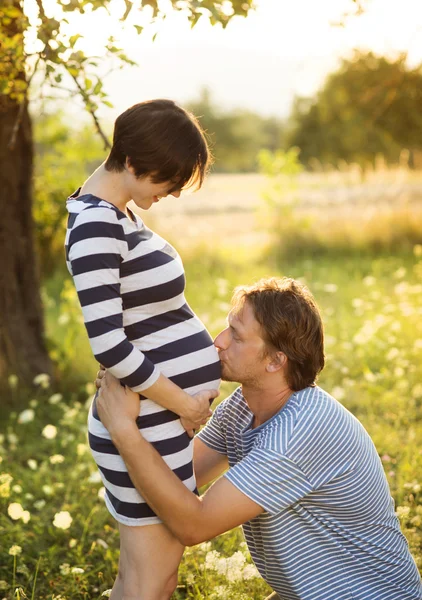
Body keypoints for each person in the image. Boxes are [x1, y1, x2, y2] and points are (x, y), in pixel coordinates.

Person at [96, 277, 422, 600]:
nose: (219, 342)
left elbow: (193, 526)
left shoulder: (301, 431)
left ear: (276, 360)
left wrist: (124, 430)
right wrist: (153, 392)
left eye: (236, 336)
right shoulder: (242, 406)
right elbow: (181, 474)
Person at [65, 99, 221, 600]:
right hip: (151, 421)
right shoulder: (95, 225)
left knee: (147, 579)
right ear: (132, 162)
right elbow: (108, 343)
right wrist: (184, 403)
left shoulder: (115, 215)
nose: (172, 192)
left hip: (158, 422)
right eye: (168, 180)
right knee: (150, 582)